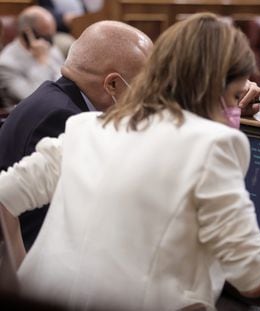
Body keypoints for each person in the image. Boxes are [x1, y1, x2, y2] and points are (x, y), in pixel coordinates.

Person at [0, 13, 260, 310]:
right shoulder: (215, 145)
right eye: (237, 96)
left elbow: (4, 196)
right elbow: (253, 277)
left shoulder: (85, 125)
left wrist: (20, 279)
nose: (238, 109)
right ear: (215, 89)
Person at [0, 20, 152, 250]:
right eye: (145, 88)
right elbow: (47, 226)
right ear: (112, 84)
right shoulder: (64, 119)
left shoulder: (57, 99)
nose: (147, 101)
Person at [0, 6, 64, 108]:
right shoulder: (6, 64)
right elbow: (33, 97)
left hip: (59, 105)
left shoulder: (48, 46)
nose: (50, 43)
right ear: (27, 33)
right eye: (46, 37)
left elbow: (63, 79)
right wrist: (42, 63)